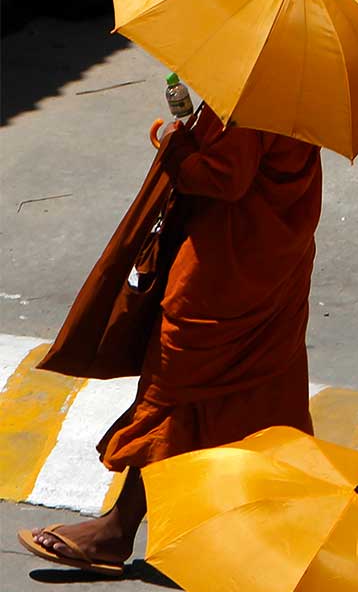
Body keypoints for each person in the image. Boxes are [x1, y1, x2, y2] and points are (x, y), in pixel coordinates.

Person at [19, 108, 323, 575]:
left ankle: (116, 531)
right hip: (274, 260)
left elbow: (225, 178)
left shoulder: (252, 103)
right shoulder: (297, 95)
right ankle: (277, 528)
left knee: (174, 388)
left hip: (221, 272)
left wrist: (175, 143)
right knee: (261, 392)